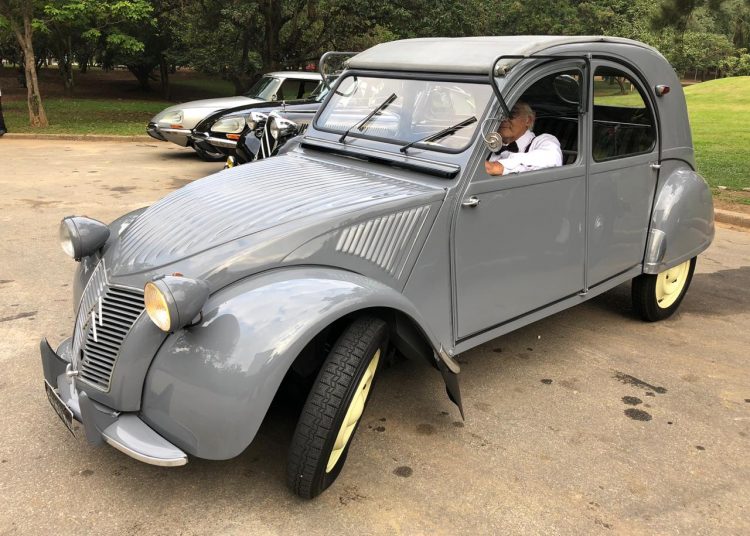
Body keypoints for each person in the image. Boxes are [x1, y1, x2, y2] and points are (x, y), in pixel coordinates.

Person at [484, 101, 562, 176]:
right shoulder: (485, 144)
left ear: (528, 120)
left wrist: (499, 167)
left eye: (511, 113)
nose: (503, 119)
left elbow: (552, 159)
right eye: (499, 115)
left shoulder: (544, 141)